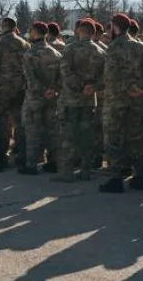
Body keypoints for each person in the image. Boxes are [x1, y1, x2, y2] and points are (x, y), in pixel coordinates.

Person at [99, 13, 143, 193]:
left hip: (117, 99)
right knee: (137, 137)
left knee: (114, 138)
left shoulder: (114, 47)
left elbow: (111, 76)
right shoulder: (142, 47)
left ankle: (115, 178)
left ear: (115, 27)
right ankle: (138, 177)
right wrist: (139, 89)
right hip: (138, 99)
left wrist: (127, 87)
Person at [53, 19, 105, 182]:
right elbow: (106, 75)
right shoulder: (100, 51)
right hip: (89, 100)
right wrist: (92, 87)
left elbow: (65, 71)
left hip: (71, 99)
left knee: (68, 136)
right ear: (93, 33)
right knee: (86, 136)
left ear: (79, 31)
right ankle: (85, 171)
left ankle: (67, 172)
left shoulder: (70, 49)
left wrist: (80, 86)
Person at [0, 18, 30, 166]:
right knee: (20, 123)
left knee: (0, 122)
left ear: (4, 27)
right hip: (19, 88)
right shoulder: (24, 44)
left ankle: (2, 155)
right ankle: (23, 154)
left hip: (2, 88)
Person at [20, 22, 61, 175]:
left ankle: (31, 164)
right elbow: (61, 77)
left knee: (32, 131)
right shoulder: (55, 53)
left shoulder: (29, 54)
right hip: (51, 98)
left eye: (31, 31)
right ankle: (52, 162)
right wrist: (53, 90)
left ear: (36, 33)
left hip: (34, 98)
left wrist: (43, 91)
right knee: (51, 131)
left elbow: (30, 79)